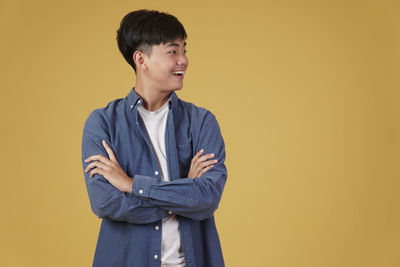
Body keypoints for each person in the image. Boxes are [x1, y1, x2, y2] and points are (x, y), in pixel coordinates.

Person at [81, 9, 227, 267]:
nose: (183, 60)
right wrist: (183, 194)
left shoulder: (202, 121)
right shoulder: (102, 123)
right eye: (173, 51)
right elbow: (105, 203)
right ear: (141, 59)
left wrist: (130, 185)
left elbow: (207, 199)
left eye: (184, 50)